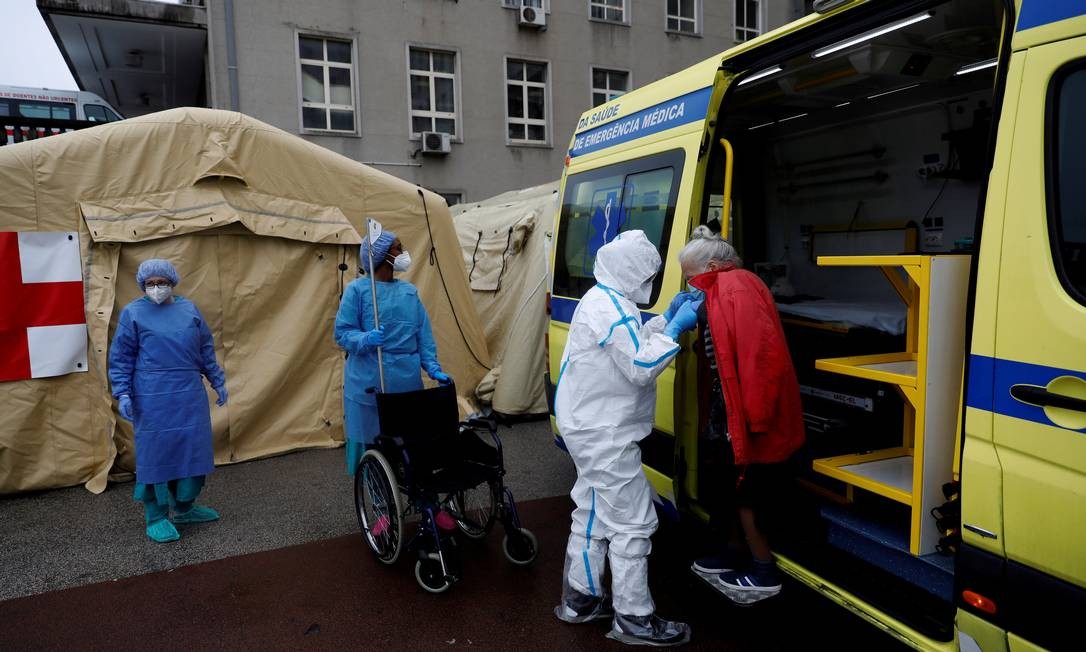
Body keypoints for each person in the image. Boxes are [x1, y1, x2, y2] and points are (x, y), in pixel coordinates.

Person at [553, 230, 699, 647]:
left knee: (592, 514)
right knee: (633, 523)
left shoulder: (604, 298)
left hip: (587, 427)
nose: (648, 282)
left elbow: (628, 340)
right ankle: (635, 619)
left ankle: (580, 599)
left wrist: (662, 319)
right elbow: (639, 365)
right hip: (606, 434)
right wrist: (675, 328)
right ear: (631, 272)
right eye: (647, 275)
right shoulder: (612, 307)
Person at [680, 226, 805, 605]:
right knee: (726, 484)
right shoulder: (723, 288)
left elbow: (759, 357)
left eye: (691, 277)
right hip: (728, 408)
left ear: (712, 267)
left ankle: (763, 570)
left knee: (746, 489)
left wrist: (755, 419)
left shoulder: (737, 287)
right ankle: (733, 552)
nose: (690, 285)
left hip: (747, 411)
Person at [108, 259, 227, 544]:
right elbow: (121, 357)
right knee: (157, 455)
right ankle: (156, 516)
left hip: (188, 393)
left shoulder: (189, 310)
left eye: (161, 282)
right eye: (150, 283)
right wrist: (123, 393)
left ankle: (184, 507)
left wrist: (217, 380)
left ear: (172, 282)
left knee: (191, 450)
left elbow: (205, 349)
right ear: (142, 285)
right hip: (152, 395)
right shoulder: (133, 313)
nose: (156, 288)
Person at [334, 230, 450, 476]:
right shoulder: (357, 291)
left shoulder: (409, 292)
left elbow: (423, 336)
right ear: (380, 255)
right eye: (398, 248)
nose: (403, 252)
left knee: (412, 449)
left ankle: (420, 496)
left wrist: (433, 368)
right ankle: (377, 497)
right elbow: (342, 333)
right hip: (369, 386)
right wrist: (365, 339)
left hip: (407, 386)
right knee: (373, 448)